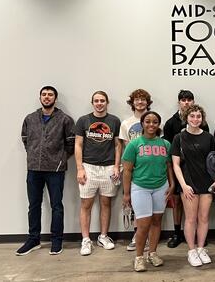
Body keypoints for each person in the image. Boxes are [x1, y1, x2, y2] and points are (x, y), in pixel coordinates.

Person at [16, 86, 75, 256]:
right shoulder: (30, 118)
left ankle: (57, 241)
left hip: (55, 170)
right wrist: (34, 156)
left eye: (50, 95)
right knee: (33, 205)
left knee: (56, 206)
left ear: (55, 99)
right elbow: (25, 139)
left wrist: (60, 159)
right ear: (40, 97)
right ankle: (33, 239)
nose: (47, 97)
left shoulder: (65, 119)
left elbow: (70, 143)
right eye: (44, 94)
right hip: (33, 169)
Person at [122, 111, 174, 272]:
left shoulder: (165, 144)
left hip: (161, 187)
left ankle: (152, 253)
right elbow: (127, 171)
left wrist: (172, 185)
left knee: (157, 222)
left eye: (155, 122)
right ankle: (139, 257)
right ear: (142, 124)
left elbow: (168, 166)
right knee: (143, 225)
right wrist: (126, 193)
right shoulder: (134, 144)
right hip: (140, 188)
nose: (151, 125)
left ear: (159, 124)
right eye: (148, 122)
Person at [171, 104, 215, 267]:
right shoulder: (179, 138)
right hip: (188, 184)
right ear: (187, 118)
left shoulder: (209, 137)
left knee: (204, 218)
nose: (195, 119)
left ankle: (200, 249)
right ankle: (191, 251)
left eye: (198, 116)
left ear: (202, 119)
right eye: (192, 116)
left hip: (206, 183)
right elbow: (176, 165)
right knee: (191, 219)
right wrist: (183, 185)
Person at [74, 91, 122, 256]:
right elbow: (78, 145)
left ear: (107, 102)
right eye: (96, 101)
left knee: (106, 203)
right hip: (89, 167)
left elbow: (117, 146)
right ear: (92, 103)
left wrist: (117, 166)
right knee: (86, 205)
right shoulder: (83, 120)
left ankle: (103, 236)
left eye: (102, 100)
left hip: (108, 168)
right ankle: (86, 240)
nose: (99, 103)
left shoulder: (114, 121)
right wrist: (80, 168)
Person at [163, 89, 209, 248]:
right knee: (180, 205)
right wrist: (179, 182)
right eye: (183, 99)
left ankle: (200, 241)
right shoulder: (172, 125)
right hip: (181, 174)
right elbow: (171, 157)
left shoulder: (207, 133)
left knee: (202, 217)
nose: (186, 102)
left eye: (189, 99)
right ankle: (178, 234)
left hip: (203, 179)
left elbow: (210, 157)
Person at [120, 89, 153, 251]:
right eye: (137, 100)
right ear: (132, 103)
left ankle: (148, 237)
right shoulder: (126, 123)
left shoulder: (154, 120)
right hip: (133, 168)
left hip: (150, 168)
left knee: (150, 205)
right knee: (134, 204)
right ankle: (137, 235)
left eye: (143, 100)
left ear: (148, 102)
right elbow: (122, 146)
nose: (140, 102)